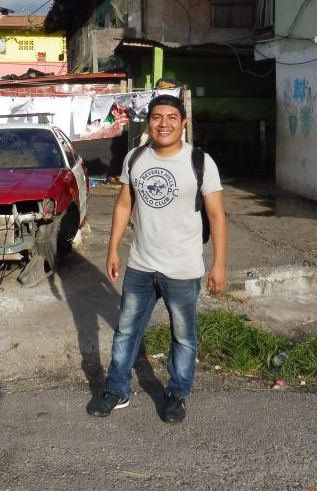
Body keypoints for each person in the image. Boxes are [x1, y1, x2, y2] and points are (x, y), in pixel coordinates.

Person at [87, 93, 228, 424]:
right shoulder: (135, 157)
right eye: (156, 117)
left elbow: (217, 216)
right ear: (148, 122)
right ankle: (117, 389)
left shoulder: (201, 162)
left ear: (183, 123)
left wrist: (218, 264)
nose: (163, 124)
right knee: (125, 331)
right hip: (140, 264)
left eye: (171, 118)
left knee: (183, 336)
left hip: (183, 269)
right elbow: (124, 204)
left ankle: (177, 394)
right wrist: (113, 248)